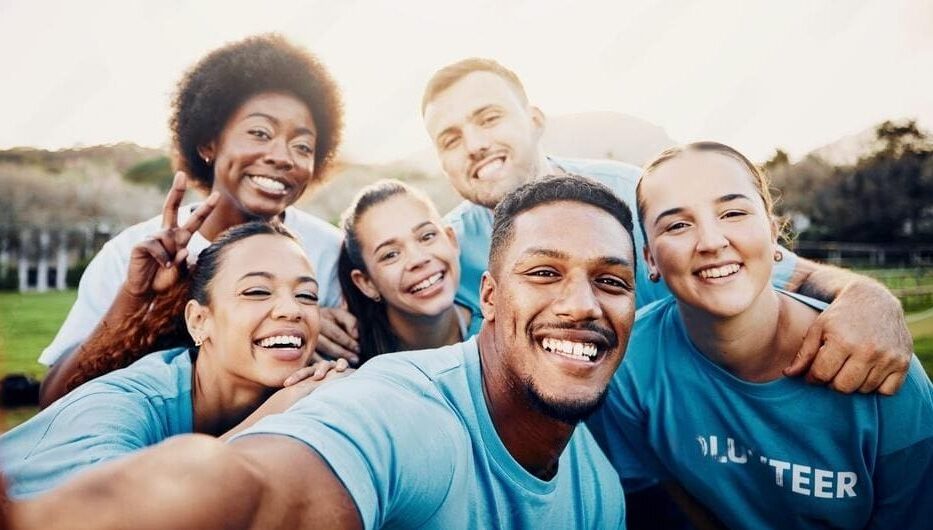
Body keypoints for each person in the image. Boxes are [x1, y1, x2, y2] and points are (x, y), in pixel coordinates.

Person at [7, 176, 637, 529]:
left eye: (306, 295)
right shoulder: (398, 404)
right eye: (545, 274)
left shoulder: (598, 490)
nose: (582, 303)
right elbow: (253, 487)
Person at [415, 57, 914, 396]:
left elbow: (779, 269)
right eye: (450, 138)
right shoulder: (445, 252)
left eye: (489, 118)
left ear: (536, 120)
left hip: (681, 433)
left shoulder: (633, 193)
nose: (474, 143)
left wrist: (867, 298)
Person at [588, 142, 933, 529]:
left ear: (773, 234)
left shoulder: (877, 366)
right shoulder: (629, 363)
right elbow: (665, 486)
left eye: (733, 213)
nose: (712, 242)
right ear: (650, 258)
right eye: (678, 225)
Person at [38, 34, 349, 406]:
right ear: (208, 143)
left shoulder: (331, 252)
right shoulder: (133, 255)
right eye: (259, 133)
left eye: (302, 146)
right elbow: (54, 400)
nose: (282, 156)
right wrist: (135, 303)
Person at [1, 221, 350, 499]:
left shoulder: (310, 394)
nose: (292, 309)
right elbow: (124, 510)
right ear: (199, 320)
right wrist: (269, 419)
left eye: (307, 295)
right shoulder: (120, 404)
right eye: (256, 291)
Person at [337, 179, 481, 362]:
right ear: (367, 283)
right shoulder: (351, 366)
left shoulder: (500, 330)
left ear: (451, 240)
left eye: (427, 236)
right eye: (390, 255)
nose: (418, 259)